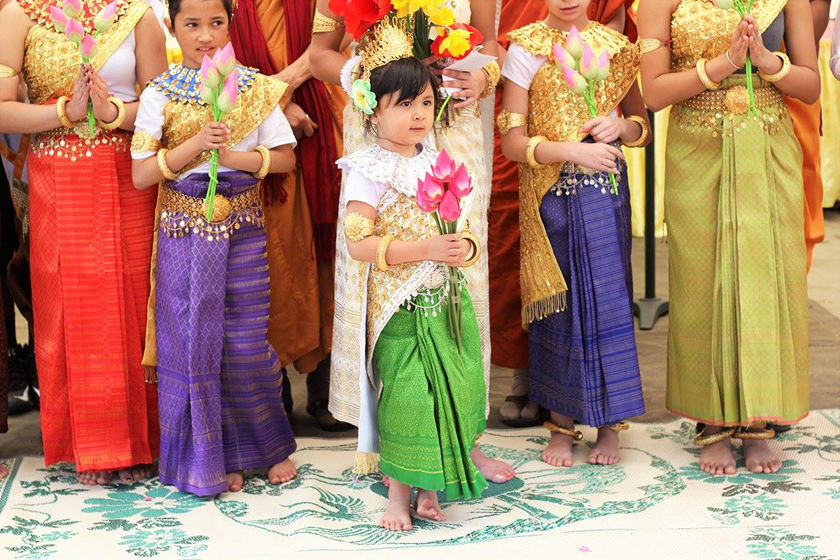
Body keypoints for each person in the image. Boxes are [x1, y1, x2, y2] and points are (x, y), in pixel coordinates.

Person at [311, 0, 515, 486]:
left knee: (462, 279)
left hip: (455, 130)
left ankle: (466, 441)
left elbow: (489, 44)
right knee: (387, 284)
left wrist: (485, 77)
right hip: (380, 120)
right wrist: (381, 82)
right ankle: (400, 446)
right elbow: (320, 54)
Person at [639, 0, 818, 475]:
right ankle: (711, 425)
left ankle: (758, 423)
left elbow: (811, 85)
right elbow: (653, 92)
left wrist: (765, 62)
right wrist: (723, 66)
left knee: (765, 282)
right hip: (697, 144)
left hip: (768, 139)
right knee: (701, 284)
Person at [131, 0, 298, 495]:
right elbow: (142, 173)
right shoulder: (158, 93)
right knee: (196, 343)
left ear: (231, 24)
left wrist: (233, 156)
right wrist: (196, 146)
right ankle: (216, 456)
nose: (205, 35)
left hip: (243, 222)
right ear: (172, 26)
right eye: (192, 25)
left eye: (216, 23)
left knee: (246, 343)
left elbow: (286, 159)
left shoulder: (252, 85)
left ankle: (267, 448)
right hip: (184, 230)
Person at [0, 0, 167, 485]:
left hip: (126, 174)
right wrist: (65, 111)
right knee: (75, 308)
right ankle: (92, 446)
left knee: (135, 301)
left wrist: (111, 111)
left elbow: (163, 105)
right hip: (59, 175)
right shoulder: (20, 14)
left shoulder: (139, 14)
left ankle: (143, 441)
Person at [338, 28, 488, 529]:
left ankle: (432, 489)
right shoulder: (367, 168)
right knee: (408, 396)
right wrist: (422, 250)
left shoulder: (440, 161)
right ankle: (398, 496)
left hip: (445, 297)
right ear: (373, 110)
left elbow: (461, 228)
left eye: (425, 102)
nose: (419, 114)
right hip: (398, 305)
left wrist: (463, 247)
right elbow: (358, 244)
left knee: (456, 385)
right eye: (403, 104)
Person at [500, 0, 648, 466]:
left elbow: (641, 126)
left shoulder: (616, 47)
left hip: (605, 194)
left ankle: (610, 425)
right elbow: (511, 142)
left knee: (608, 300)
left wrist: (620, 125)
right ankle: (561, 425)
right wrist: (572, 151)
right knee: (557, 308)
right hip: (549, 197)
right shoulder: (524, 48)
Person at [228, 0, 351, 431]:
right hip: (254, 139)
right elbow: (208, 55)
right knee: (271, 259)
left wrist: (279, 94)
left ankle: (331, 386)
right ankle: (270, 382)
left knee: (331, 257)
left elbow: (342, 41)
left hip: (327, 124)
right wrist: (272, 107)